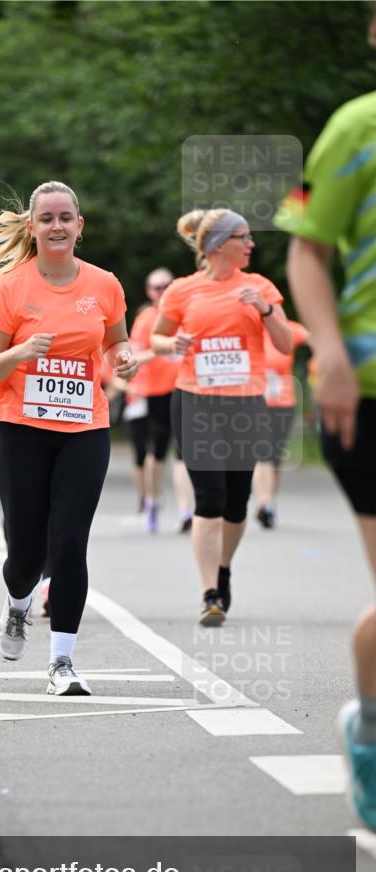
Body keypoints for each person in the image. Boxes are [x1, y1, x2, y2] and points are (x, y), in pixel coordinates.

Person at [0, 180, 137, 695]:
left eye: (66, 217)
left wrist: (123, 361)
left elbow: (116, 343)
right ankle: (17, 602)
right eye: (47, 219)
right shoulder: (13, 287)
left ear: (79, 227)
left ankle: (62, 663)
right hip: (20, 428)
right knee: (26, 555)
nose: (57, 226)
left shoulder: (104, 285)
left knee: (69, 543)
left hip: (84, 428)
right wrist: (20, 355)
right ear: (32, 227)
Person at [276, 76, 376, 830]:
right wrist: (331, 355)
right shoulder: (354, 126)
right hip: (367, 389)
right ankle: (369, 732)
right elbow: (306, 251)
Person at [152, 209, 292, 626]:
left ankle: (224, 567)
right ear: (218, 245)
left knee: (236, 501)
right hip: (196, 401)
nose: (251, 245)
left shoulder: (259, 286)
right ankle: (209, 591)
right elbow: (157, 337)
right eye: (243, 237)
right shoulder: (182, 290)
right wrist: (171, 341)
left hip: (245, 403)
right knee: (209, 498)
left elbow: (284, 345)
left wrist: (266, 309)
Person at [119, 267, 194, 532]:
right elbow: (135, 357)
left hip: (185, 389)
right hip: (156, 393)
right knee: (157, 452)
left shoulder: (185, 314)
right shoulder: (147, 319)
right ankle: (151, 500)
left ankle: (186, 510)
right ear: (149, 292)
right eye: (156, 287)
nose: (162, 291)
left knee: (184, 453)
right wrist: (164, 348)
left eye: (166, 285)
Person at [252, 320, 309, 527]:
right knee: (262, 452)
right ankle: (264, 502)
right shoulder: (247, 329)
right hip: (255, 402)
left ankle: (269, 503)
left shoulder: (289, 329)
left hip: (284, 402)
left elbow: (316, 340)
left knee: (275, 456)